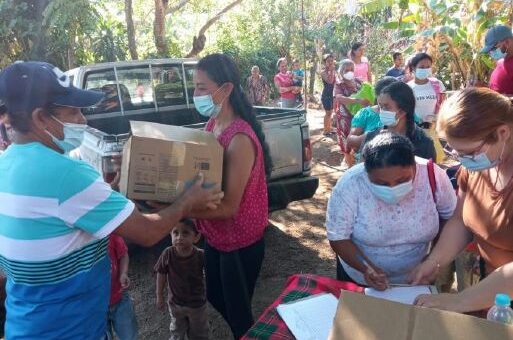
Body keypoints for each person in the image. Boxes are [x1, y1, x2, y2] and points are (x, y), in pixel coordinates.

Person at [0, 61, 222, 339]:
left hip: (24, 327)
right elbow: (148, 232)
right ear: (40, 118)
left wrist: (109, 195)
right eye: (73, 112)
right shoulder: (68, 174)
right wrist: (187, 201)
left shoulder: (5, 166)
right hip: (70, 331)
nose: (83, 120)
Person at [190, 53, 271, 339]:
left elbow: (228, 208)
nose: (196, 94)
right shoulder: (214, 125)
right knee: (214, 295)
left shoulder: (239, 139)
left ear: (225, 90)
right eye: (195, 87)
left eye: (202, 87)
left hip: (240, 241)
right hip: (217, 236)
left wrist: (180, 210)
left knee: (239, 318)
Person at [410, 87, 513, 312]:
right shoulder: (479, 165)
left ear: (502, 132)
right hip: (489, 291)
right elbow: (460, 220)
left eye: (469, 152)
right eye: (457, 153)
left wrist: (460, 300)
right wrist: (434, 261)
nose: (464, 161)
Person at [326, 132, 457, 289]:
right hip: (361, 277)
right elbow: (338, 237)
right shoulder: (351, 184)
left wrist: (432, 258)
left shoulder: (434, 177)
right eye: (381, 183)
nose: (393, 188)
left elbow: (451, 219)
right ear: (366, 173)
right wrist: (366, 268)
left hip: (418, 277)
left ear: (414, 166)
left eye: (402, 180)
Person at [155, 219, 208, 340]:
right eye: (175, 233)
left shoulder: (201, 255)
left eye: (185, 233)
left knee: (199, 333)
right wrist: (159, 295)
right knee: (176, 331)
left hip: (197, 304)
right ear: (170, 234)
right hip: (175, 303)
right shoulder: (167, 253)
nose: (179, 237)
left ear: (196, 237)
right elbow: (161, 274)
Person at [358, 81, 436, 160]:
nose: (382, 111)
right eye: (380, 107)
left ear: (402, 111)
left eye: (386, 107)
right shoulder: (371, 138)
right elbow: (362, 170)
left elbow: (428, 171)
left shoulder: (424, 143)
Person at [407, 52, 445, 163]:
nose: (425, 69)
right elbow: (406, 110)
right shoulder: (408, 88)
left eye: (428, 67)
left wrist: (437, 117)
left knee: (436, 162)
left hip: (434, 129)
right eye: (422, 67)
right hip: (416, 131)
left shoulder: (437, 84)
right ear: (413, 68)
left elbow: (443, 104)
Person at [333, 59, 369, 167]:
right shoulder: (339, 84)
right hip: (345, 119)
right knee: (346, 141)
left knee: (359, 140)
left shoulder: (359, 82)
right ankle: (349, 166)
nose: (350, 72)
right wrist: (357, 101)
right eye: (347, 70)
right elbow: (339, 98)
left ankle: (355, 163)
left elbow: (368, 93)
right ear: (341, 71)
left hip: (359, 118)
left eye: (351, 69)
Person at [107, 234, 138, 340]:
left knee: (129, 335)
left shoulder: (111, 235)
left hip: (119, 298)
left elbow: (123, 254)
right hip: (95, 305)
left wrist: (123, 273)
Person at [481, 25, 513, 95]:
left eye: (493, 48)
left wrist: (505, 99)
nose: (490, 53)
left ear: (507, 42)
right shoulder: (501, 61)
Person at [321, 53, 337, 136]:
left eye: (332, 61)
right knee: (327, 113)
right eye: (328, 61)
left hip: (332, 95)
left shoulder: (334, 71)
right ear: (324, 63)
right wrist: (331, 71)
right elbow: (330, 81)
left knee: (330, 112)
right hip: (326, 95)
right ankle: (325, 130)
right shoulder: (323, 72)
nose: (330, 62)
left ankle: (329, 128)